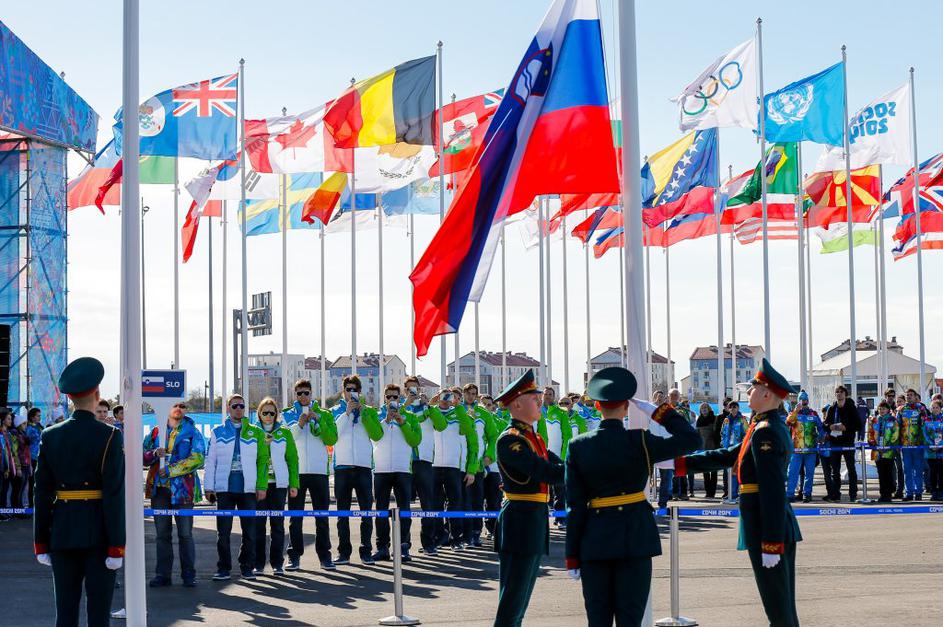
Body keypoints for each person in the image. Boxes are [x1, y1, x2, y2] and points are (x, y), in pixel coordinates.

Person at [565, 367, 699, 626]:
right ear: (627, 407)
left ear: (596, 405)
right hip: (634, 537)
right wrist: (658, 411)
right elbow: (691, 439)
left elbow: (576, 505)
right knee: (631, 620)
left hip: (595, 540)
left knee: (598, 620)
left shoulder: (578, 445)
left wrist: (572, 554)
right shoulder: (640, 441)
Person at [676, 359, 802, 627]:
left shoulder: (765, 432)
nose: (747, 393)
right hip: (767, 524)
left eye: (753, 388)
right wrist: (682, 463)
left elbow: (771, 491)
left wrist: (771, 542)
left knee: (779, 611)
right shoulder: (761, 427)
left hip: (768, 527)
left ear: (767, 393)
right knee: (781, 609)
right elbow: (729, 455)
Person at [33, 357, 125, 627]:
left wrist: (41, 540)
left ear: (70, 397)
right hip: (99, 536)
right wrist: (117, 545)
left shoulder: (50, 435)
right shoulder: (109, 435)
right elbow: (114, 494)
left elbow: (41, 492)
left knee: (65, 614)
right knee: (98, 616)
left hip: (62, 534)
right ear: (97, 394)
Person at [492, 369, 564, 627]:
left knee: (520, 601)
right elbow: (546, 472)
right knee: (512, 601)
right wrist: (582, 467)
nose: (540, 401)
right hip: (520, 522)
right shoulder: (511, 441)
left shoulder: (535, 438)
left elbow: (560, 467)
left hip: (532, 521)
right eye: (535, 398)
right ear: (517, 403)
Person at [204, 393, 269, 581]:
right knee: (223, 532)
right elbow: (211, 461)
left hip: (248, 490)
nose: (239, 409)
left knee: (250, 532)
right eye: (235, 406)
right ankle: (223, 568)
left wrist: (262, 486)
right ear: (228, 408)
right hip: (224, 489)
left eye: (241, 405)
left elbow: (263, 461)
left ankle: (247, 567)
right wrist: (209, 487)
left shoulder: (256, 432)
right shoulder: (217, 431)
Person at [143, 401, 206, 586]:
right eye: (175, 404)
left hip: (183, 491)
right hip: (159, 490)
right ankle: (163, 575)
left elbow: (198, 458)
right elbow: (141, 454)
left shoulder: (193, 431)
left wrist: (171, 470)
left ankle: (189, 575)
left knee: (185, 534)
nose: (178, 408)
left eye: (183, 405)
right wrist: (154, 453)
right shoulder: (155, 431)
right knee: (162, 534)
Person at [284, 378, 338, 571]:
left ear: (311, 394)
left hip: (318, 472)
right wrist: (299, 424)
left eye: (306, 393)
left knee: (321, 516)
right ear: (295, 395)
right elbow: (286, 440)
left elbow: (332, 438)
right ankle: (293, 556)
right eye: (299, 393)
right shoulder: (287, 415)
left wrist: (318, 420)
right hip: (296, 473)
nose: (303, 397)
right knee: (295, 517)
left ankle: (325, 556)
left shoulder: (325, 414)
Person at [331, 375, 383, 565]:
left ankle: (366, 551)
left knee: (366, 512)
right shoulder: (335, 412)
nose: (351, 393)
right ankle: (343, 552)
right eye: (348, 389)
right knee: (342, 513)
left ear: (359, 392)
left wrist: (364, 415)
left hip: (363, 467)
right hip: (342, 467)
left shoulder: (369, 412)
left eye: (354, 390)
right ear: (343, 391)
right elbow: (334, 436)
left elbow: (377, 435)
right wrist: (346, 414)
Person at [371, 383, 422, 562]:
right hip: (381, 470)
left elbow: (415, 440)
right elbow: (375, 436)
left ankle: (403, 547)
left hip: (403, 470)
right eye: (389, 397)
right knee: (381, 511)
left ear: (400, 398)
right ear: (384, 398)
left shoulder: (409, 417)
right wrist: (386, 420)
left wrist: (403, 423)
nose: (392, 400)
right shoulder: (376, 416)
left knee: (404, 511)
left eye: (395, 397)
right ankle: (382, 547)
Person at [253, 396, 299, 575]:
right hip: (260, 485)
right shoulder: (253, 432)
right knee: (258, 525)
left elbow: (293, 460)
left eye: (272, 413)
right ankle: (258, 564)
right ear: (259, 413)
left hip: (279, 485)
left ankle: (277, 563)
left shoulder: (285, 433)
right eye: (265, 412)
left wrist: (294, 483)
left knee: (278, 525)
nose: (269, 416)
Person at [429, 387, 478, 550]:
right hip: (434, 465)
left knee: (455, 504)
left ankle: (456, 538)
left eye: (453, 397)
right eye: (445, 395)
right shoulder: (431, 411)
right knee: (435, 504)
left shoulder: (461, 414)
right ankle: (438, 537)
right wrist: (430, 405)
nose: (448, 399)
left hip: (454, 467)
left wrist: (458, 407)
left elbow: (469, 432)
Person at [462, 383, 500, 547]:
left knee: (476, 501)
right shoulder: (456, 410)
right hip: (459, 464)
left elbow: (493, 437)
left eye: (473, 394)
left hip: (477, 465)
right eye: (468, 393)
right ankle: (460, 535)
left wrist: (489, 457)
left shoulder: (484, 413)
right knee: (460, 501)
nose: (470, 396)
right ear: (463, 394)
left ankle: (476, 534)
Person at [404, 376, 438, 555]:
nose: (412, 392)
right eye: (409, 389)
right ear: (404, 391)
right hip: (405, 462)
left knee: (428, 505)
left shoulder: (428, 408)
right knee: (404, 506)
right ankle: (404, 545)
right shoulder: (399, 408)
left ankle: (428, 543)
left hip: (424, 461)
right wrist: (405, 404)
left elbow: (441, 425)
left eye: (415, 389)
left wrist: (430, 407)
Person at [821, 385, 862, 503]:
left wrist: (846, 428)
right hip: (835, 442)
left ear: (845, 394)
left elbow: (858, 425)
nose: (839, 394)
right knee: (835, 470)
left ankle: (853, 494)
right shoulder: (832, 408)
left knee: (851, 468)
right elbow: (825, 424)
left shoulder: (851, 407)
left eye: (841, 392)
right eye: (837, 392)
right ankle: (835, 494)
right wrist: (830, 426)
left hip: (848, 441)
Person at [538, 387, 571, 524]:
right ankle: (541, 518)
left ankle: (560, 517)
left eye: (550, 394)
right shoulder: (536, 412)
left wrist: (563, 456)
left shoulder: (561, 413)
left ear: (554, 396)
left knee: (560, 489)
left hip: (556, 456)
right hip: (541, 455)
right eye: (546, 394)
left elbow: (567, 435)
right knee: (540, 488)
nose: (548, 397)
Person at [786, 390, 825, 503]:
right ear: (798, 401)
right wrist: (795, 411)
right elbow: (788, 422)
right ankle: (790, 494)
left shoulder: (813, 414)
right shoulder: (794, 413)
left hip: (811, 449)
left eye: (805, 399)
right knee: (792, 473)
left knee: (810, 473)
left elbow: (821, 428)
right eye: (802, 400)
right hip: (796, 450)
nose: (804, 402)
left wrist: (820, 438)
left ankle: (807, 494)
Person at [480, 394, 505, 539]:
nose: (486, 407)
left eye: (489, 405)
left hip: (494, 468)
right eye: (483, 404)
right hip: (476, 467)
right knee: (476, 501)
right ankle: (474, 532)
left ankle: (492, 528)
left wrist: (490, 459)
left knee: (494, 501)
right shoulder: (474, 420)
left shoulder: (500, 422)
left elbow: (500, 445)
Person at [898, 388, 928, 501]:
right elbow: (897, 426)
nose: (909, 397)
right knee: (907, 470)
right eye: (907, 395)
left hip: (918, 445)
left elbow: (926, 425)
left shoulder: (921, 408)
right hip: (905, 445)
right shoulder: (901, 409)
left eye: (911, 395)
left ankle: (919, 492)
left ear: (916, 397)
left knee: (918, 469)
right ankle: (909, 493)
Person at [868, 400, 900, 502]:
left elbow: (895, 435)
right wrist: (872, 442)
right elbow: (871, 433)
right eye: (880, 409)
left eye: (884, 409)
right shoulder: (875, 420)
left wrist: (888, 446)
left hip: (888, 451)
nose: (882, 410)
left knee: (888, 472)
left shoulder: (892, 420)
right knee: (881, 473)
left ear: (888, 410)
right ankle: (883, 494)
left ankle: (889, 493)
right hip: (877, 451)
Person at [668, 389, 696, 499]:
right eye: (672, 395)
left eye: (676, 395)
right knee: (672, 469)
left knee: (682, 468)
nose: (674, 397)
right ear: (669, 396)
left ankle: (683, 493)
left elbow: (689, 423)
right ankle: (674, 493)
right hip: (670, 443)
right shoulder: (665, 409)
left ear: (679, 396)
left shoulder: (683, 410)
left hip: (682, 443)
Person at [720, 400, 748, 503]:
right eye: (731, 407)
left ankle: (739, 494)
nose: (733, 409)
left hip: (738, 449)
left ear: (738, 408)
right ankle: (731, 494)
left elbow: (746, 433)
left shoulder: (742, 419)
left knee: (738, 472)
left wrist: (743, 447)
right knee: (729, 472)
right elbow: (722, 433)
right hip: (728, 449)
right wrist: (723, 445)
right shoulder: (726, 420)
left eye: (735, 407)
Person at [884, 388, 905, 499]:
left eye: (892, 395)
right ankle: (891, 488)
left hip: (899, 443)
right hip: (888, 443)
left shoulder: (901, 410)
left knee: (900, 468)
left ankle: (900, 490)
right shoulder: (882, 408)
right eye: (889, 395)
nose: (891, 397)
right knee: (890, 467)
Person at [695, 403, 719, 498]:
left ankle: (712, 492)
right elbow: (697, 435)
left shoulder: (715, 418)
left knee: (714, 471)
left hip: (713, 448)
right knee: (705, 472)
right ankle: (708, 492)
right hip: (703, 449)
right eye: (702, 408)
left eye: (705, 407)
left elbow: (717, 433)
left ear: (709, 409)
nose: (704, 409)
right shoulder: (699, 420)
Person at [923, 400, 943, 501]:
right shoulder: (927, 419)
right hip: (931, 451)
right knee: (933, 473)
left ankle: (941, 492)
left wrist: (940, 445)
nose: (935, 410)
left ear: (940, 408)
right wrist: (931, 444)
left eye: (937, 407)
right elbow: (925, 433)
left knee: (941, 473)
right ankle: (934, 492)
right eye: (933, 408)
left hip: (941, 451)